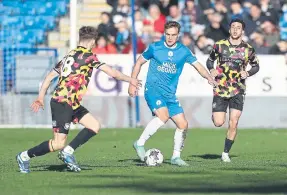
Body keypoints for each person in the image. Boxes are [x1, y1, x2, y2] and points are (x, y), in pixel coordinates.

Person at [16, 26, 141, 173]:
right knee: (57, 144)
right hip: (62, 102)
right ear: (93, 41)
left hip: (72, 102)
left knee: (94, 125)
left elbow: (49, 77)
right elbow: (112, 73)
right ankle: (24, 156)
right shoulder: (89, 56)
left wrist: (41, 97)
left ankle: (67, 152)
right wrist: (131, 79)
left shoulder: (69, 55)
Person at [128, 21, 217, 166]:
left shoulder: (184, 51)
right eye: (168, 35)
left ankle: (176, 157)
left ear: (178, 35)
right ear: (164, 34)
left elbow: (198, 66)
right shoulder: (155, 48)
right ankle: (139, 143)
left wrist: (208, 77)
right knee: (163, 116)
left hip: (169, 94)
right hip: (153, 89)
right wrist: (132, 83)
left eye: (173, 35)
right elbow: (138, 63)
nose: (170, 38)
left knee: (183, 124)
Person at [206, 18, 260, 162]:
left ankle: (225, 153)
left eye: (238, 27)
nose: (235, 30)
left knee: (234, 121)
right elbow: (210, 60)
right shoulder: (219, 45)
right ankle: (216, 114)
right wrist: (211, 70)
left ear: (242, 31)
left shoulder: (248, 49)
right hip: (221, 89)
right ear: (229, 30)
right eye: (233, 27)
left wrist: (247, 73)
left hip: (238, 89)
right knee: (218, 122)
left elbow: (256, 66)